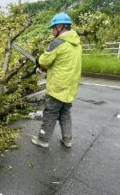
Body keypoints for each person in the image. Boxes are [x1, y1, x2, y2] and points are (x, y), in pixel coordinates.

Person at [31, 12, 82, 148]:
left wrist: (41, 68)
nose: (52, 31)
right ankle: (67, 139)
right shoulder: (77, 43)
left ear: (60, 27)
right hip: (71, 86)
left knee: (50, 113)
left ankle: (43, 139)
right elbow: (63, 62)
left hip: (58, 86)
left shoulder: (58, 43)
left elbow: (43, 60)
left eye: (53, 28)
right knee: (65, 113)